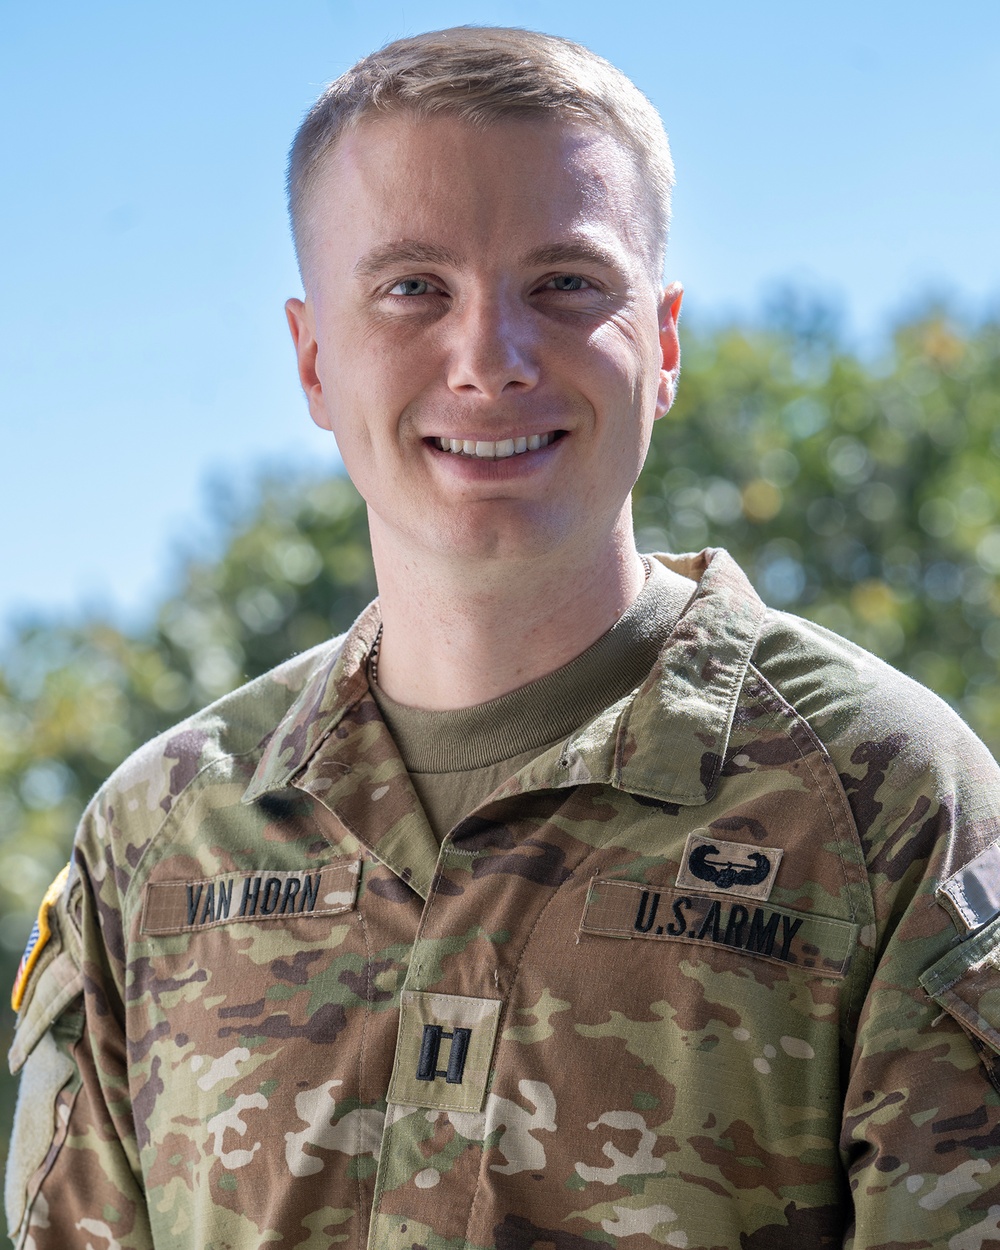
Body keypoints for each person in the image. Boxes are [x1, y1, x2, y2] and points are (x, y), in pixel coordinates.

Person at [6, 25, 1000, 1250]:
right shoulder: (159, 837)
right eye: (413, 288)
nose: (490, 359)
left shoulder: (883, 803)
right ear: (314, 358)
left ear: (666, 341)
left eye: (565, 284)